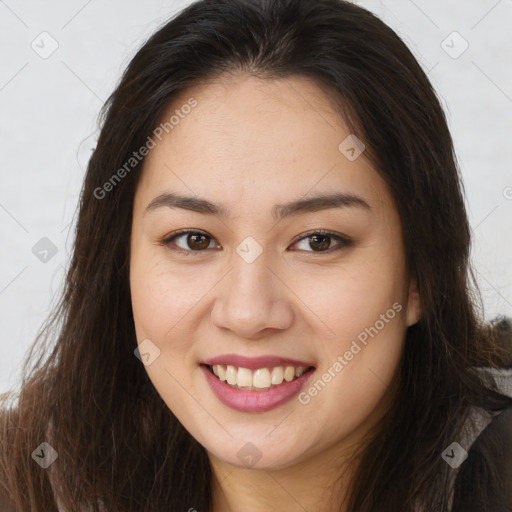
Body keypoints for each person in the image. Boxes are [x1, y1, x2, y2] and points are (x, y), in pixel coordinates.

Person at [1, 0, 511, 510]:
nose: (248, 313)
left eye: (318, 241)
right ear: (121, 265)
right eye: (194, 240)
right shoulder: (23, 480)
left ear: (420, 274)